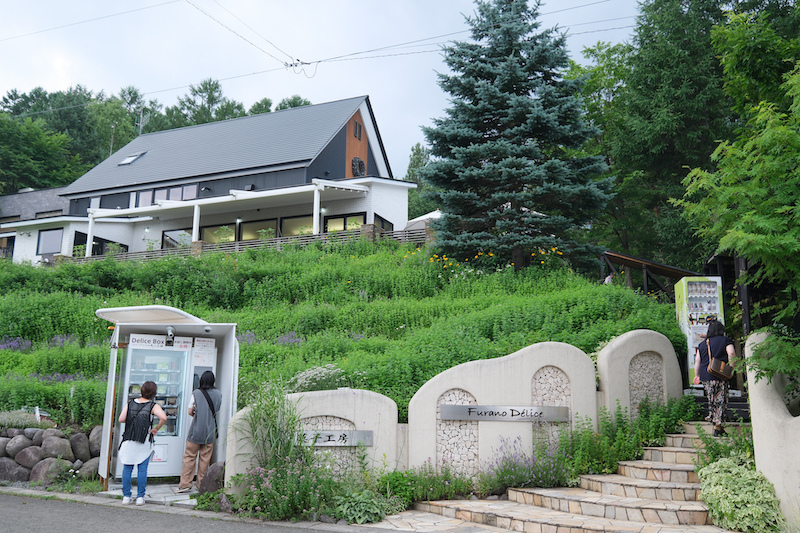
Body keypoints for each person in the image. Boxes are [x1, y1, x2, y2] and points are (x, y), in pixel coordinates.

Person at [118, 380, 167, 505]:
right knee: (142, 469)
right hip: (144, 440)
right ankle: (140, 497)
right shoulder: (153, 406)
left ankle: (126, 496)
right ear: (154, 393)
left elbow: (121, 419)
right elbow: (163, 418)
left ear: (141, 390)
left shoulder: (130, 403)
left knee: (127, 468)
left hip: (129, 439)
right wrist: (156, 428)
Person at [175, 370, 222, 493]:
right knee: (205, 460)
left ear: (201, 380)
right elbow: (216, 409)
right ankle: (202, 485)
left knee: (190, 457)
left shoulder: (196, 393)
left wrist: (197, 413)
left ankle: (185, 484)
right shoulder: (218, 394)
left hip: (195, 431)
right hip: (210, 432)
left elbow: (190, 411)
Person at [693, 320, 736, 437]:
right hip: (721, 374)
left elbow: (697, 361)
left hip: (706, 376)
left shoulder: (702, 344)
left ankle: (717, 424)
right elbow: (731, 354)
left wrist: (697, 375)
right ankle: (718, 427)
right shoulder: (726, 341)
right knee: (721, 400)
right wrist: (731, 369)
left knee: (712, 400)